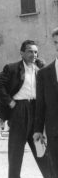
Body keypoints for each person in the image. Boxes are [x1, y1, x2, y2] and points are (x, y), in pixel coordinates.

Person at [0, 40, 52, 178]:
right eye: (30, 51)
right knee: (15, 152)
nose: (34, 54)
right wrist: (9, 102)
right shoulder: (12, 68)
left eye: (36, 51)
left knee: (41, 149)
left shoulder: (40, 70)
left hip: (36, 110)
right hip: (19, 110)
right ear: (22, 53)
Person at [34, 28, 58, 177]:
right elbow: (40, 105)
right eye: (56, 43)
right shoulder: (44, 73)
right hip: (54, 131)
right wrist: (38, 130)